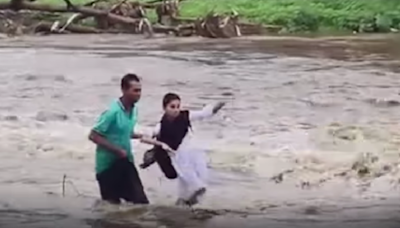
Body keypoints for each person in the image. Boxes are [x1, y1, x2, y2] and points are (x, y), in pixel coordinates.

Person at [140, 92, 225, 206]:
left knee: (199, 180)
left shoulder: (186, 115)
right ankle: (185, 204)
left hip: (191, 153)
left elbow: (203, 114)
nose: (176, 110)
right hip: (177, 157)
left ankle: (183, 204)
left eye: (178, 106)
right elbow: (144, 138)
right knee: (193, 184)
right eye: (172, 107)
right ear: (164, 108)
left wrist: (216, 107)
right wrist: (159, 145)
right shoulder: (161, 126)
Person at [88, 73, 149, 205]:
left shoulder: (134, 110)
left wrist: (141, 136)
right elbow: (93, 135)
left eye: (140, 90)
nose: (139, 94)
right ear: (124, 90)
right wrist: (116, 150)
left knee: (140, 202)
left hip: (125, 162)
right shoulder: (112, 111)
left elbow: (125, 132)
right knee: (111, 207)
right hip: (107, 167)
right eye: (135, 90)